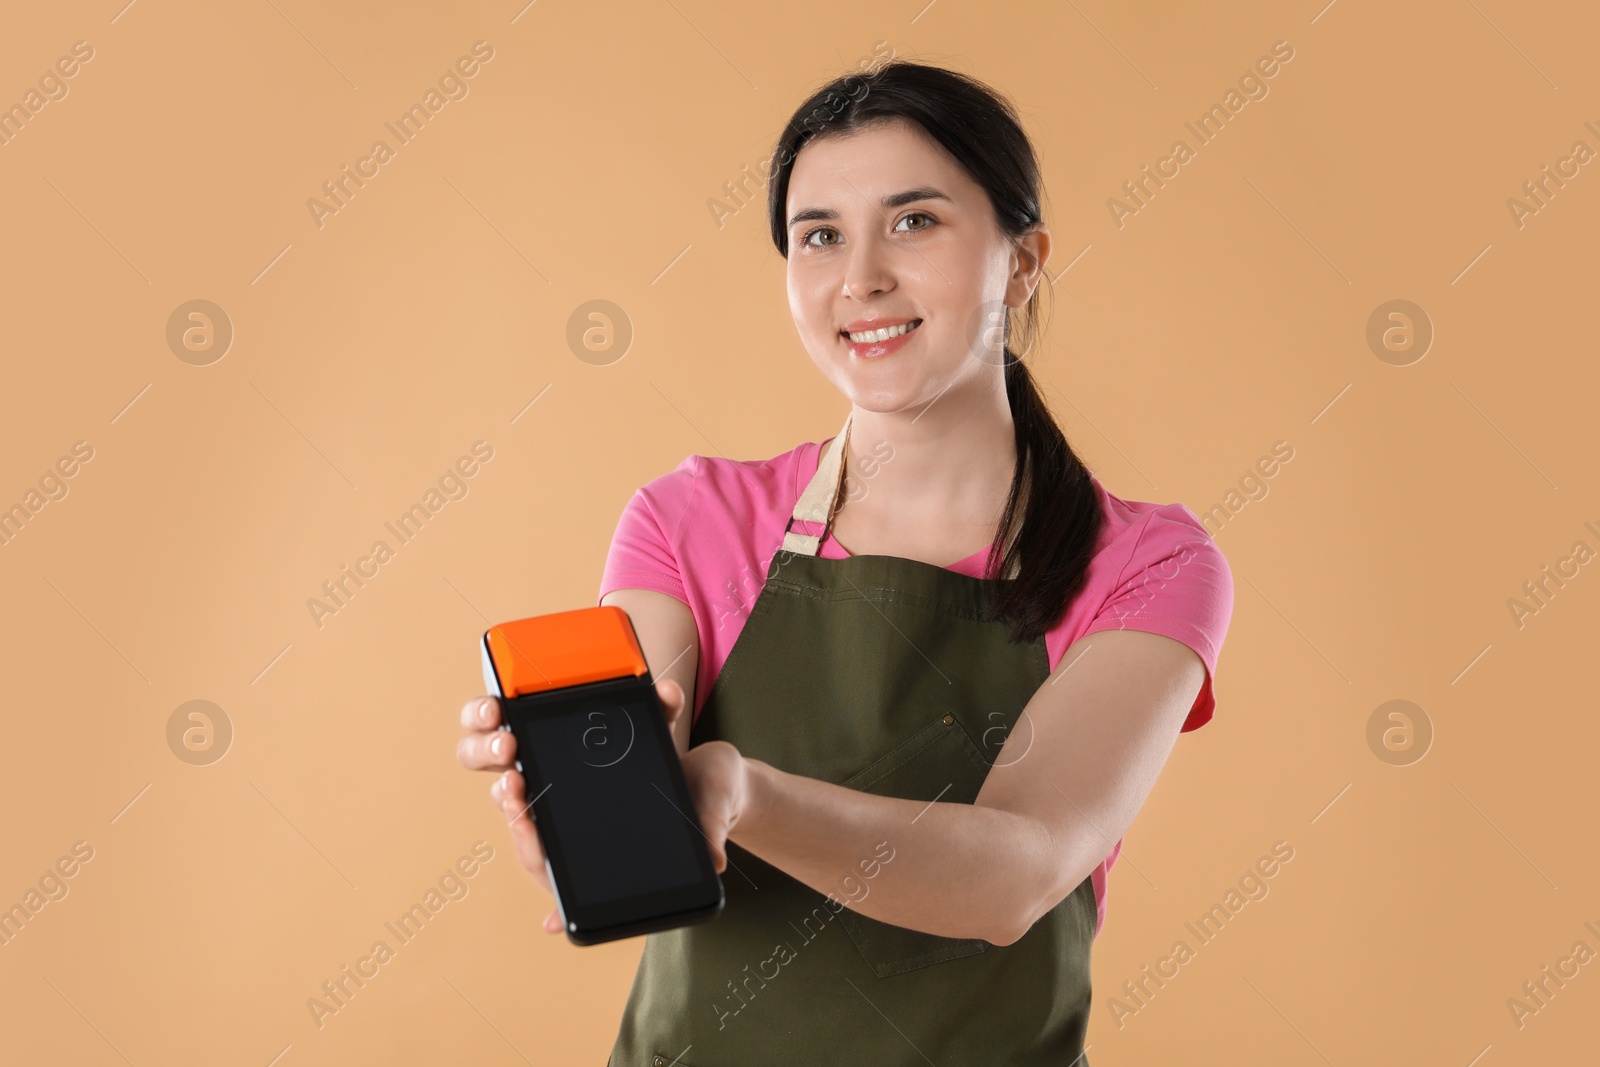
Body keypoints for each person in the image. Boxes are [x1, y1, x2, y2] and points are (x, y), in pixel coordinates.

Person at [457, 59, 1233, 1065]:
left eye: (914, 221)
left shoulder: (1143, 560)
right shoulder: (692, 518)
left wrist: (747, 792)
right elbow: (630, 849)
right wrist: (562, 809)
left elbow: (1015, 872)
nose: (859, 277)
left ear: (1024, 259)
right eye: (818, 234)